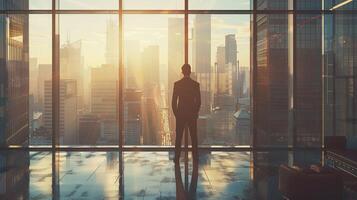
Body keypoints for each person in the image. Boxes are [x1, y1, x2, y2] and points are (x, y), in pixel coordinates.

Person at [172, 64, 201, 163]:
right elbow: (199, 101)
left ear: (182, 72)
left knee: (178, 137)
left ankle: (176, 158)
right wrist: (195, 113)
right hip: (192, 115)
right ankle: (195, 158)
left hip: (180, 114)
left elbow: (173, 102)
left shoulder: (177, 84)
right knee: (194, 137)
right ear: (190, 71)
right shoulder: (195, 84)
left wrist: (177, 115)